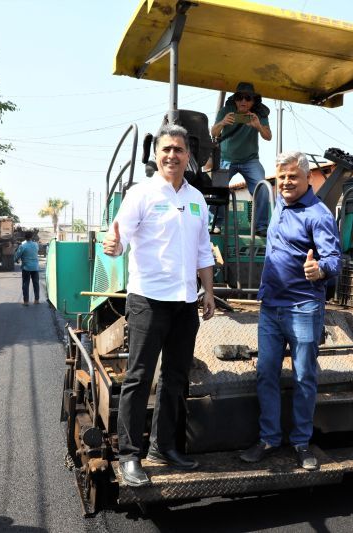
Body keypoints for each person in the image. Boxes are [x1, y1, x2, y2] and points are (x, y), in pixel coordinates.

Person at [103, 123, 216, 487]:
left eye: (178, 150)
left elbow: (202, 251)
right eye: (166, 149)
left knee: (175, 378)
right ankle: (130, 455)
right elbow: (119, 237)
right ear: (156, 155)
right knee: (139, 378)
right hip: (148, 300)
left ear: (188, 156)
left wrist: (209, 292)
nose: (172, 155)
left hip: (185, 302)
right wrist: (113, 245)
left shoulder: (196, 199)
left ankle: (163, 447)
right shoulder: (141, 194)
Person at [240, 151, 342, 471]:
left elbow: (335, 260)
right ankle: (269, 438)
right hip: (271, 307)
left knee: (303, 377)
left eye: (292, 176)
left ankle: (300, 442)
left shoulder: (319, 214)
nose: (285, 181)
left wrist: (320, 270)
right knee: (266, 373)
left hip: (303, 307)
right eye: (281, 176)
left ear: (307, 179)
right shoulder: (279, 205)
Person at [210, 81, 272, 236]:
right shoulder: (226, 111)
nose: (243, 101)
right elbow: (214, 132)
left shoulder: (259, 114)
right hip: (226, 159)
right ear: (235, 99)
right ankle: (215, 224)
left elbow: (268, 136)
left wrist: (258, 125)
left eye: (248, 98)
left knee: (263, 187)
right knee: (218, 187)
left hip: (250, 160)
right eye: (240, 98)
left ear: (253, 101)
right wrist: (223, 122)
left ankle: (261, 226)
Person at [14, 231, 39, 306]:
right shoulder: (36, 245)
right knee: (36, 284)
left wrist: (16, 260)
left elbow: (17, 255)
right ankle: (36, 300)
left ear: (25, 237)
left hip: (26, 268)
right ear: (32, 237)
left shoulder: (23, 246)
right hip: (35, 267)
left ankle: (26, 301)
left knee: (25, 284)